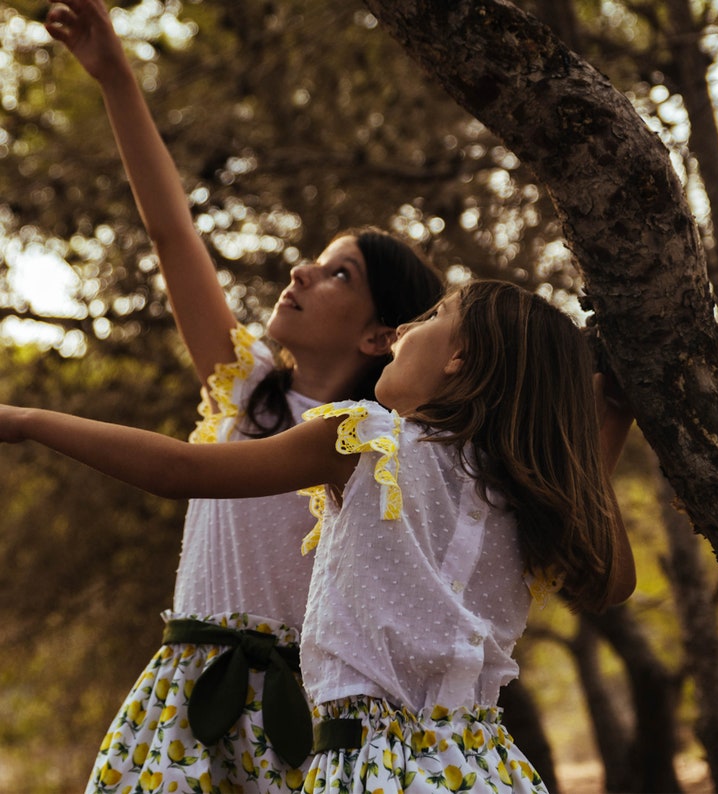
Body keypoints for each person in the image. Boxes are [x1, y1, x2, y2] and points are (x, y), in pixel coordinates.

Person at [0, 279, 636, 794]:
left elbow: (180, 470)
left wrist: (27, 420)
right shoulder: (525, 499)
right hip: (487, 771)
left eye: (433, 315)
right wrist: (614, 413)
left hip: (370, 769)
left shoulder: (362, 440)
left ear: (459, 355)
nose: (404, 330)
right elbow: (610, 580)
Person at [41, 0, 444, 791]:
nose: (300, 272)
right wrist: (115, 76)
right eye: (314, 259)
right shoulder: (247, 392)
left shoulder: (377, 449)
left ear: (379, 336)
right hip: (189, 701)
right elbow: (172, 234)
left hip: (314, 716)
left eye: (339, 274)